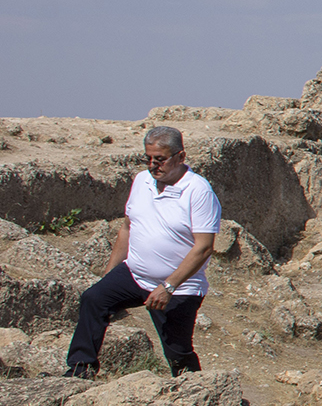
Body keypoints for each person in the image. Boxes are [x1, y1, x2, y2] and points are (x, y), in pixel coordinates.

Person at [66, 126, 220, 378]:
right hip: (135, 274)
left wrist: (167, 287)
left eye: (159, 159)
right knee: (94, 298)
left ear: (180, 157)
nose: (152, 165)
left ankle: (196, 392)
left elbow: (203, 247)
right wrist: (109, 277)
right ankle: (79, 370)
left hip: (180, 286)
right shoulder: (142, 181)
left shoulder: (198, 191)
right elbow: (128, 228)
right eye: (147, 158)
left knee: (177, 351)